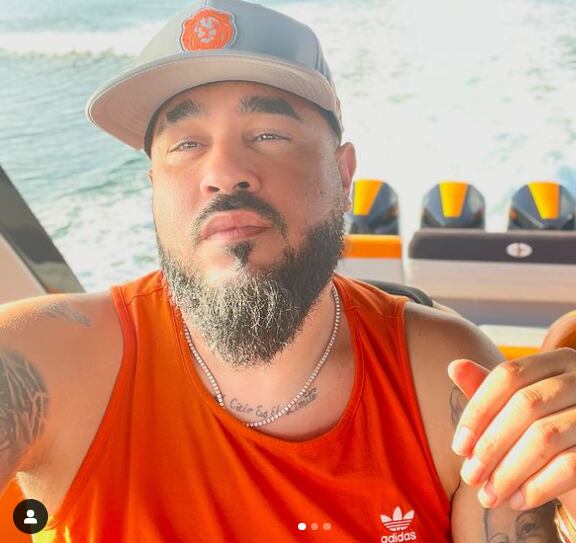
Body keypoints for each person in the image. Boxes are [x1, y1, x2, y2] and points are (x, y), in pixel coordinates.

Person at [0, 0, 575, 541]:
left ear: (343, 174)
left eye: (268, 134)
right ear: (154, 186)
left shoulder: (447, 379)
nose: (222, 172)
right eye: (186, 144)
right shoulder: (44, 363)